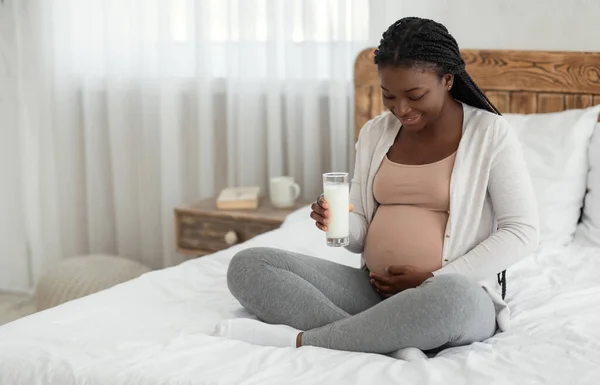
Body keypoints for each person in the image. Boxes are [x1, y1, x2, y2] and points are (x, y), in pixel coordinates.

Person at [213, 17, 539, 360]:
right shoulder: (375, 132)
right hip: (372, 289)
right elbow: (359, 233)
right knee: (249, 265)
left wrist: (432, 278)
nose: (401, 109)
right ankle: (387, 341)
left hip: (450, 293)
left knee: (454, 300)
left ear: (447, 79)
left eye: (415, 95)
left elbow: (522, 231)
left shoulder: (489, 134)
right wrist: (336, 221)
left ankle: (304, 342)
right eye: (389, 96)